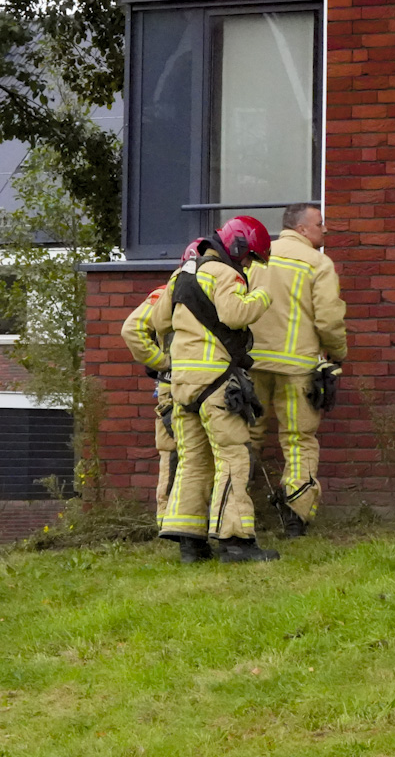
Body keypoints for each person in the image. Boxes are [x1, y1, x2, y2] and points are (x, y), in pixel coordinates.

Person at [159, 216, 275, 563]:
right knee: (233, 457)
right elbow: (235, 313)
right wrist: (263, 297)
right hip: (215, 381)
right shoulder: (225, 273)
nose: (248, 264)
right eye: (249, 257)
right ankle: (235, 541)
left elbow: (158, 321)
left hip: (182, 383)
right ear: (237, 246)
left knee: (193, 460)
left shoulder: (182, 274)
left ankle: (189, 544)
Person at [246, 202, 347, 538]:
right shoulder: (318, 263)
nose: (325, 229)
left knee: (244, 438)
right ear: (303, 228)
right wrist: (338, 353)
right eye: (320, 223)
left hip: (252, 363)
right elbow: (329, 319)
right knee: (298, 440)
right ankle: (295, 519)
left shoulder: (257, 256)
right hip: (298, 367)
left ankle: (232, 514)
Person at [117, 274, 179, 530]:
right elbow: (131, 331)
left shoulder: (169, 292)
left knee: (175, 455)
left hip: (176, 387)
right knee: (177, 455)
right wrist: (164, 363)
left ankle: (172, 522)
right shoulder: (170, 293)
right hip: (182, 387)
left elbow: (134, 330)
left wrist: (161, 363)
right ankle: (170, 522)